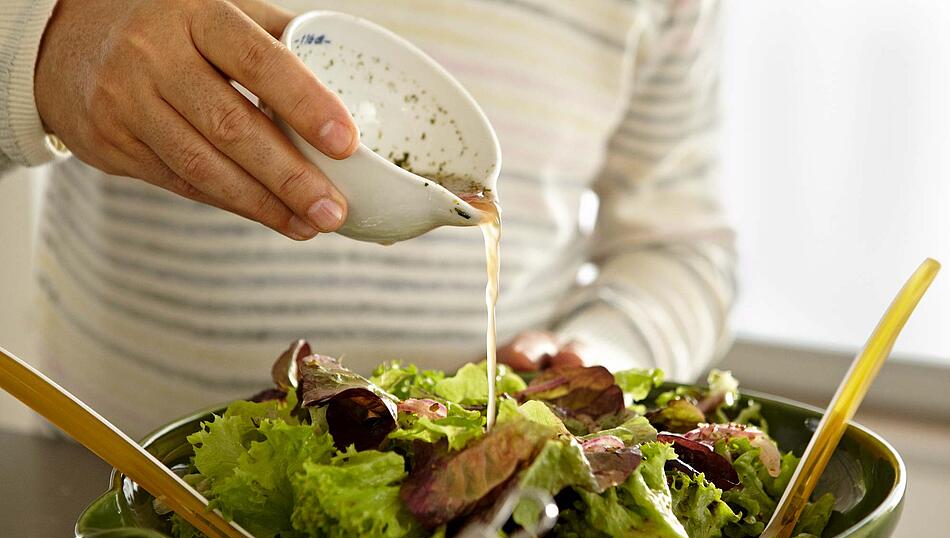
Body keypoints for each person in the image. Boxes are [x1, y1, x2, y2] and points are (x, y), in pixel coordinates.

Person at [0, 0, 735, 436]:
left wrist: (595, 353)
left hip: (487, 536)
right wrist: (39, 46)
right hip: (110, 480)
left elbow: (682, 247)